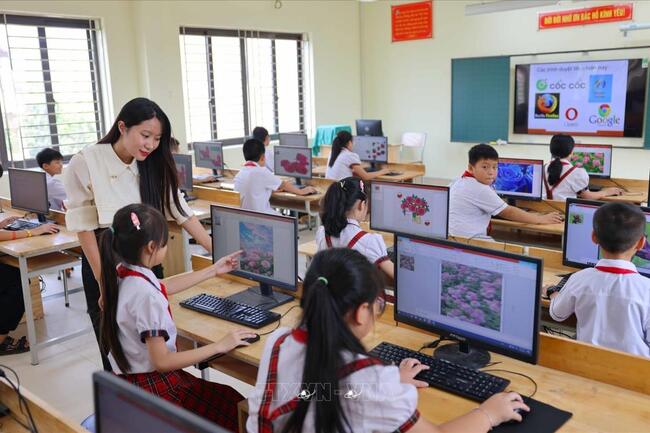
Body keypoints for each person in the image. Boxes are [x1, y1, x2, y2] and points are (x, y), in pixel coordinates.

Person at [246, 248, 528, 432]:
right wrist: (489, 413)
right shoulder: (369, 381)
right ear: (361, 312)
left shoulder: (279, 341)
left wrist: (391, 383)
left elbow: (321, 392)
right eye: (378, 305)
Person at [63, 97, 214, 371]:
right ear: (122, 127)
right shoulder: (86, 162)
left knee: (157, 340)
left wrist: (214, 249)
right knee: (117, 351)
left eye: (157, 139)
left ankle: (163, 389)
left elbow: (180, 210)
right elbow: (84, 228)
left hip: (147, 259)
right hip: (103, 262)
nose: (151, 145)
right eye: (145, 135)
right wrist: (104, 284)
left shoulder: (151, 163)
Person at [99, 204, 254, 431]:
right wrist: (219, 345)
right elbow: (162, 362)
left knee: (226, 397)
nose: (166, 247)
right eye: (165, 243)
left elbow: (162, 286)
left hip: (130, 384)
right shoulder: (145, 296)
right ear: (152, 247)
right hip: (153, 390)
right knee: (234, 409)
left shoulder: (122, 272)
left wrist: (213, 270)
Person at [549, 202, 650, 357]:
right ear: (641, 243)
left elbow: (557, 314)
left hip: (587, 362)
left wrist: (553, 293)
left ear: (594, 237)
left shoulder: (580, 278)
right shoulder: (646, 289)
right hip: (633, 368)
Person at [449, 143, 563, 239]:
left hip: (454, 239)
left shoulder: (458, 181)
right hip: (470, 241)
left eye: (495, 167)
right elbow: (509, 212)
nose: (491, 172)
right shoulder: (479, 188)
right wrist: (541, 219)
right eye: (485, 167)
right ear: (471, 168)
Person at [316, 176, 393, 280]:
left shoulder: (322, 232)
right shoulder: (369, 241)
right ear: (362, 205)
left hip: (330, 290)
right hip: (358, 291)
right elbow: (396, 275)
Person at [234, 138, 316, 214]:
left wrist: (270, 190)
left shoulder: (241, 173)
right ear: (262, 157)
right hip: (260, 216)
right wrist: (301, 191)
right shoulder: (261, 171)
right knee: (286, 220)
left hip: (245, 217)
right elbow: (283, 185)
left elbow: (254, 190)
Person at [543, 134, 622, 200]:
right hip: (563, 212)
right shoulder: (577, 172)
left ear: (551, 151)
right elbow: (588, 197)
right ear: (571, 151)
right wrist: (607, 192)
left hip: (543, 211)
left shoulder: (543, 168)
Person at [325, 130, 390, 181]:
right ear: (349, 142)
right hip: (343, 191)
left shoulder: (332, 153)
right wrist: (382, 171)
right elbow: (366, 177)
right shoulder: (349, 155)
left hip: (331, 191)